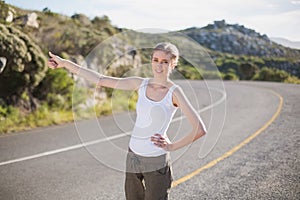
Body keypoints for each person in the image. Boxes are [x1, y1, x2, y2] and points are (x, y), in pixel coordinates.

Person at [48, 42, 207, 200]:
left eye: (165, 62)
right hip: (133, 157)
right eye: (156, 60)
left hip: (156, 161)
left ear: (173, 64)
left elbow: (200, 129)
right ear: (151, 60)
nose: (159, 65)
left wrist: (171, 146)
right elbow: (101, 80)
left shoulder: (174, 92)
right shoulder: (140, 84)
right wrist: (65, 64)